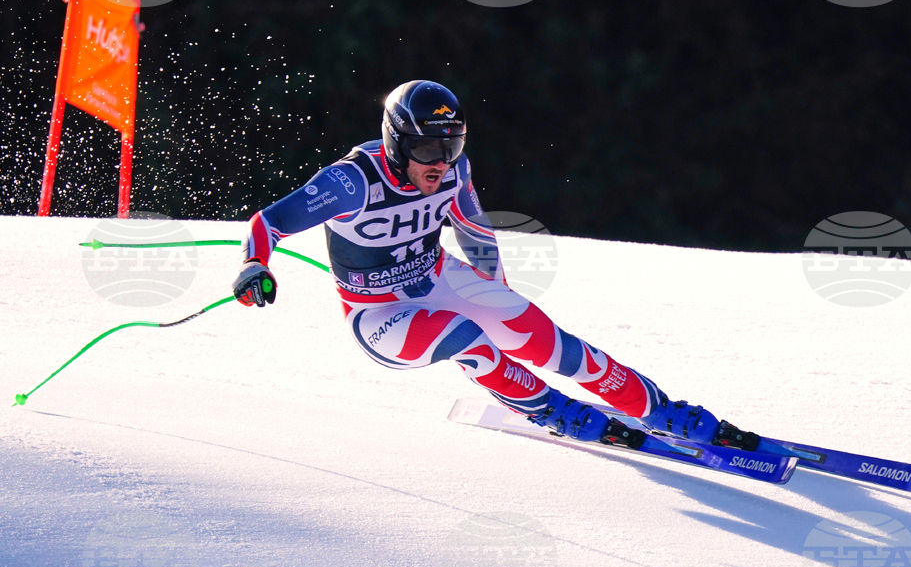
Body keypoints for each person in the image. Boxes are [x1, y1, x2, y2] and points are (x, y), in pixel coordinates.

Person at [232, 80, 757, 449]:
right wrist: (254, 266)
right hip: (377, 314)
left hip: (436, 278)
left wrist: (502, 300)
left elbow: (475, 230)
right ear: (396, 142)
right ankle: (547, 409)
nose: (441, 162)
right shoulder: (350, 182)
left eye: (452, 145)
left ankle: (659, 410)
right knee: (463, 336)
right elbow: (268, 222)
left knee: (546, 338)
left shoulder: (453, 169)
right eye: (428, 148)